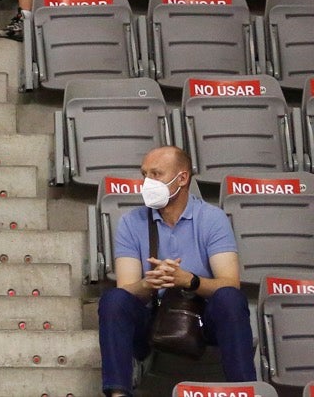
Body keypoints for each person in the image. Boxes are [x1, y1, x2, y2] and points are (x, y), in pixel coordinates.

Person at [98, 145, 255, 397]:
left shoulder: (212, 219)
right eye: (144, 174)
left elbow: (229, 282)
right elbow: (127, 289)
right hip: (153, 317)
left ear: (182, 178)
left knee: (230, 298)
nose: (147, 182)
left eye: (156, 174)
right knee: (113, 300)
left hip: (201, 316)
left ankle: (245, 390)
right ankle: (118, 393)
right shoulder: (131, 222)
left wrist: (188, 280)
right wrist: (150, 283)